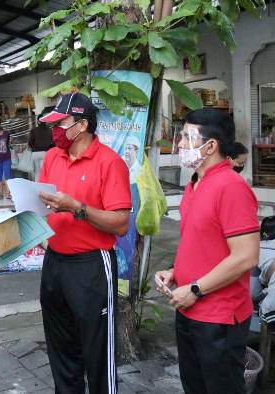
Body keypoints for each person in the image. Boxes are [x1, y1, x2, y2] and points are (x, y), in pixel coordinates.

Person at [155, 108, 259, 394]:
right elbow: (203, 243)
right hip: (189, 309)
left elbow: (246, 256)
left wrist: (196, 288)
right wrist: (176, 272)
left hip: (219, 317)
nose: (179, 144)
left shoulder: (231, 187)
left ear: (211, 145)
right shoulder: (195, 184)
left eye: (187, 137)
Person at [37, 92, 132, 394]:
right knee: (60, 345)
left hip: (91, 265)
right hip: (54, 261)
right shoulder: (53, 156)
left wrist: (77, 208)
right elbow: (40, 204)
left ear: (82, 125)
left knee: (97, 347)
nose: (54, 131)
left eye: (60, 123)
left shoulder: (110, 162)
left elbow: (120, 223)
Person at [28, 108, 54, 180]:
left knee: (37, 173)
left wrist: (33, 147)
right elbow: (53, 142)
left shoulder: (33, 130)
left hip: (36, 153)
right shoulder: (50, 130)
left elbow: (30, 142)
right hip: (46, 153)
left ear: (38, 121)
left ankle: (38, 189)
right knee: (46, 172)